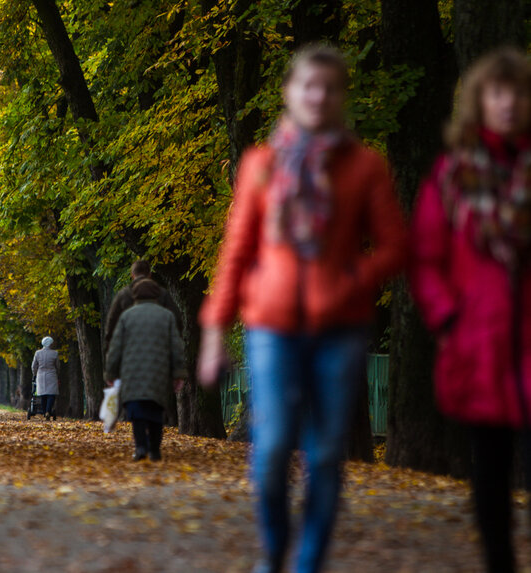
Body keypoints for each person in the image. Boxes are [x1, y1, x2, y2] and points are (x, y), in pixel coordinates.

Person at [197, 45, 407, 573]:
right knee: (270, 453)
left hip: (340, 329)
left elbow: (394, 246)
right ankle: (275, 553)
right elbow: (237, 251)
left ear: (342, 97)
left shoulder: (363, 167)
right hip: (271, 327)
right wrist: (214, 332)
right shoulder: (261, 165)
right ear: (290, 93)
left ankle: (307, 563)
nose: (319, 96)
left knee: (327, 453)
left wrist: (353, 278)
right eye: (309, 86)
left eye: (331, 87)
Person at [409, 48, 531, 573]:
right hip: (479, 338)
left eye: (518, 94)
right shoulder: (452, 174)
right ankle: (499, 561)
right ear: (479, 102)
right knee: (493, 466)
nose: (507, 104)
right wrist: (447, 317)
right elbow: (427, 257)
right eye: (496, 93)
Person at [105, 278, 186, 462]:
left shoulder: (127, 316)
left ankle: (141, 446)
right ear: (157, 295)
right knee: (155, 409)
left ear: (135, 296)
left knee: (136, 410)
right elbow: (176, 346)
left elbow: (116, 347)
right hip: (159, 370)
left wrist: (111, 372)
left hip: (132, 370)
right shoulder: (167, 316)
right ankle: (155, 449)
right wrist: (178, 373)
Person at [104, 259, 182, 355]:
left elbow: (112, 324)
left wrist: (110, 349)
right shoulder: (162, 294)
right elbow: (177, 320)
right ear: (150, 275)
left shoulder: (123, 295)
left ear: (132, 275)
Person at [31, 336, 60, 421]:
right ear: (50, 343)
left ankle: (44, 412)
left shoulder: (38, 353)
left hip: (41, 375)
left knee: (43, 395)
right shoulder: (55, 353)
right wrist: (57, 374)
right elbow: (58, 366)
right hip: (52, 375)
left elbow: (33, 366)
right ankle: (48, 411)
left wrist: (35, 374)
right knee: (51, 395)